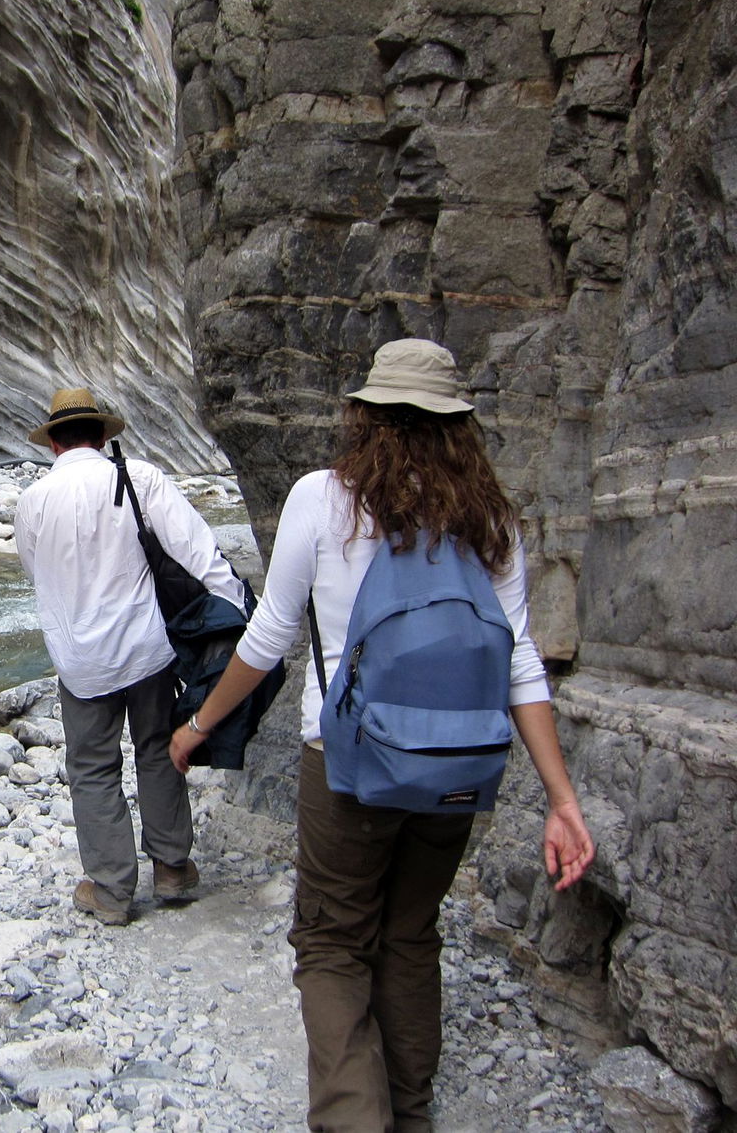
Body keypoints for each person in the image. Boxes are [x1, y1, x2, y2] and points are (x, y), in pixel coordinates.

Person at [167, 339, 595, 1131]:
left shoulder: (323, 499)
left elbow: (267, 639)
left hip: (346, 763)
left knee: (331, 942)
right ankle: (414, 1112)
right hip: (456, 769)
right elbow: (520, 660)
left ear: (364, 415)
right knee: (408, 931)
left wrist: (199, 723)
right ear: (457, 425)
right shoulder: (489, 516)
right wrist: (561, 800)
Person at [15, 387, 246, 926]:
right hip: (148, 648)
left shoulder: (33, 501)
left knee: (93, 768)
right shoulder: (138, 479)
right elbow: (197, 549)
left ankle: (112, 890)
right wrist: (239, 606)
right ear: (103, 435)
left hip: (80, 661)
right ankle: (171, 868)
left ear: (53, 443)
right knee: (159, 748)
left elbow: (36, 572)